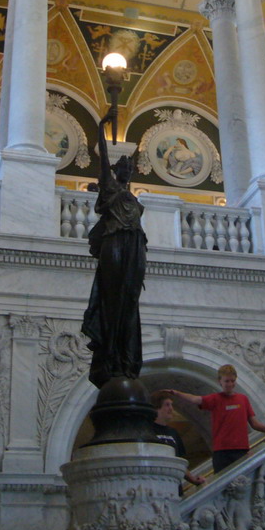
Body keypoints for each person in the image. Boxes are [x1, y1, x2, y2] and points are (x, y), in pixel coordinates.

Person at [81, 112, 148, 388]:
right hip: (115, 243)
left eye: (130, 169)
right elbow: (103, 159)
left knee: (130, 301)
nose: (127, 171)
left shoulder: (132, 197)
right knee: (114, 299)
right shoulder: (110, 187)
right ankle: (109, 353)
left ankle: (124, 356)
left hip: (134, 246)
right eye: (124, 167)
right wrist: (100, 127)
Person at [165, 364, 265, 473]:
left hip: (241, 450)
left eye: (232, 381)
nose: (230, 384)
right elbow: (195, 399)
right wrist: (177, 393)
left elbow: (254, 423)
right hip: (222, 451)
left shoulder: (243, 399)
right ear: (220, 381)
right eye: (226, 381)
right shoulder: (215, 399)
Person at [152, 390, 206, 488]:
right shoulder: (147, 430)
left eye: (171, 405)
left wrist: (193, 479)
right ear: (157, 408)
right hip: (156, 485)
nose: (171, 409)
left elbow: (180, 462)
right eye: (167, 405)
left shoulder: (173, 432)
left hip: (174, 486)